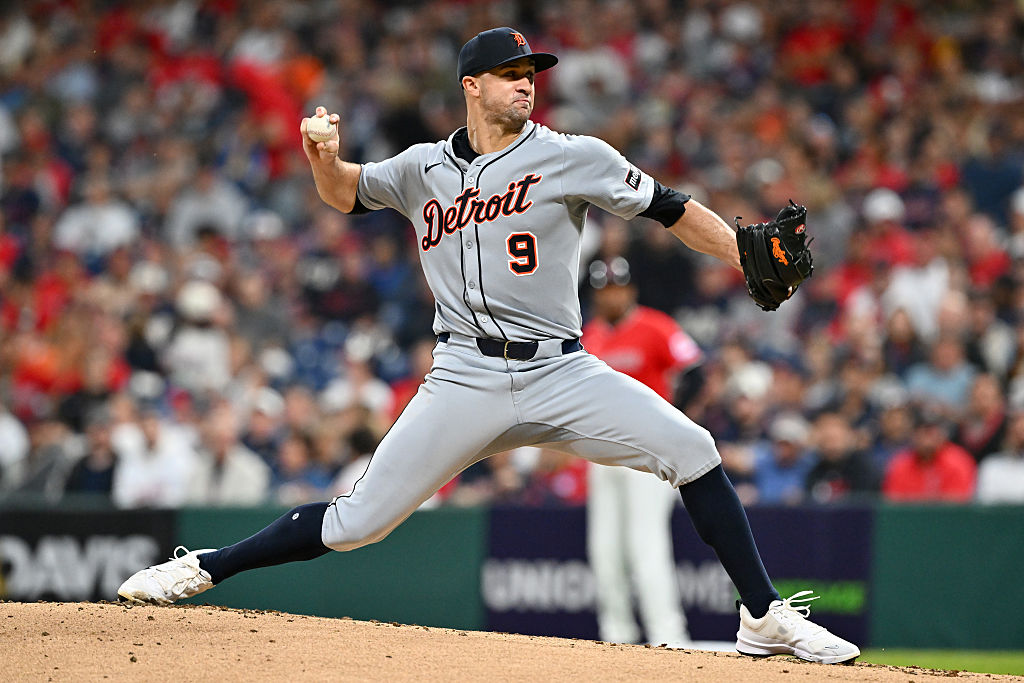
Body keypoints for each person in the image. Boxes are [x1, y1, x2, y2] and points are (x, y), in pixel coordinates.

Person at [118, 27, 858, 664]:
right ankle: (207, 568)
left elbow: (671, 207)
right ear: (471, 86)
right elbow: (346, 192)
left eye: (531, 75)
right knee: (356, 523)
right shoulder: (419, 168)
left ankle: (762, 617)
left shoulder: (575, 154)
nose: (526, 86)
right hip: (465, 374)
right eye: (510, 76)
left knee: (693, 447)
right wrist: (321, 156)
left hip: (562, 369)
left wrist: (740, 253)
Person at [582, 256, 698, 648]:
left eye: (617, 287)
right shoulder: (587, 336)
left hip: (648, 454)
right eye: (604, 289)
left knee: (646, 546)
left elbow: (695, 371)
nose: (611, 295)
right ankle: (616, 637)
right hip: (603, 454)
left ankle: (669, 637)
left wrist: (673, 421)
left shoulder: (655, 326)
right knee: (604, 550)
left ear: (630, 289)